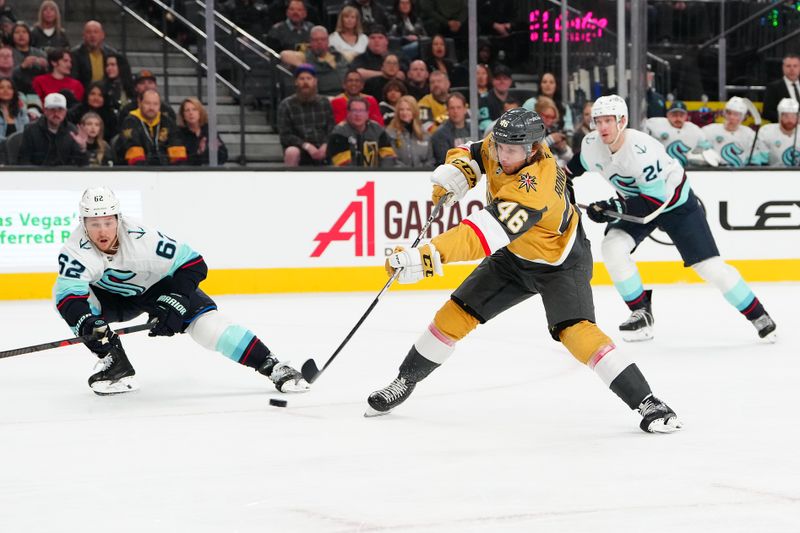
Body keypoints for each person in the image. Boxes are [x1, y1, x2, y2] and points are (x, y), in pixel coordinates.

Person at [367, 107, 682, 434]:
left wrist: (427, 257)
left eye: (512, 150)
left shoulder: (535, 187)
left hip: (560, 263)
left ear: (533, 149)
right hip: (514, 256)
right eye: (501, 146)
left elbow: (478, 236)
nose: (503, 155)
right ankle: (405, 380)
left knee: (576, 333)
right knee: (454, 314)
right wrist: (459, 171)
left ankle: (648, 401)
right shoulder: (505, 143)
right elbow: (474, 151)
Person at [53, 186, 310, 395]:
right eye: (94, 223)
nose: (102, 231)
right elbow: (70, 296)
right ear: (83, 223)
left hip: (158, 288)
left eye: (107, 222)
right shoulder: (75, 249)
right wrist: (89, 324)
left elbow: (195, 264)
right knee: (66, 299)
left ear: (118, 219)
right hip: (113, 300)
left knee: (208, 328)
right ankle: (115, 361)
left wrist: (174, 300)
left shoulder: (144, 240)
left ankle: (273, 366)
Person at [569, 95, 776, 342]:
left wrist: (609, 207)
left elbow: (652, 203)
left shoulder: (641, 150)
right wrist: (559, 184)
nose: (602, 127)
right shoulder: (592, 144)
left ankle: (759, 315)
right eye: (598, 121)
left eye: (608, 121)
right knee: (613, 247)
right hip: (637, 202)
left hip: (675, 205)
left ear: (622, 121)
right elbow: (573, 168)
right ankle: (641, 313)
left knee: (709, 267)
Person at [277, 63, 333, 166]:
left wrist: (326, 145)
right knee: (291, 152)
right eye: (301, 79)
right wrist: (306, 146)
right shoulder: (286, 105)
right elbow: (285, 135)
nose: (305, 82)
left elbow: (331, 129)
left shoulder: (325, 102)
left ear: (315, 81)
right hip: (300, 148)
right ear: (296, 82)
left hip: (323, 147)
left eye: (309, 78)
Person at [119, 88, 187, 166]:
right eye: (147, 103)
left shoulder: (167, 121)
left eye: (155, 104)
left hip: (166, 170)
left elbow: (177, 150)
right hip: (139, 171)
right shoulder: (130, 122)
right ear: (139, 103)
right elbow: (133, 151)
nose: (151, 107)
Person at [18, 92, 88, 166]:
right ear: (45, 111)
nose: (56, 113)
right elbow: (23, 161)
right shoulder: (30, 130)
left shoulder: (72, 131)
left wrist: (82, 148)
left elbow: (81, 166)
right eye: (52, 109)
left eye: (60, 109)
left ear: (65, 112)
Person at [327, 95, 397, 167]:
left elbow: (388, 157)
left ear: (367, 113)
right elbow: (344, 166)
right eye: (354, 110)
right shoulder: (340, 132)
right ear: (348, 113)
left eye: (361, 110)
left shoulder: (377, 129)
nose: (358, 114)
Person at [279, 25, 347, 96]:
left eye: (322, 39)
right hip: (320, 97)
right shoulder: (305, 57)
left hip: (343, 95)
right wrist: (304, 67)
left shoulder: (338, 55)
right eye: (316, 40)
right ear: (310, 42)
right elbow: (284, 55)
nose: (319, 42)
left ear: (328, 41)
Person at [645, 100, 713, 167]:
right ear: (668, 115)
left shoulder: (694, 129)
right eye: (674, 115)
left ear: (686, 116)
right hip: (661, 169)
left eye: (681, 115)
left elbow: (706, 149)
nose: (678, 118)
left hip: (688, 171)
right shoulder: (655, 124)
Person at [71, 21, 128, 91]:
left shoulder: (112, 54)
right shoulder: (75, 54)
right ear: (83, 36)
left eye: (96, 32)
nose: (92, 35)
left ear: (102, 35)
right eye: (89, 32)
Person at [701, 96, 756, 167]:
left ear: (743, 117)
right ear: (724, 114)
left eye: (736, 114)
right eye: (728, 113)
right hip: (716, 173)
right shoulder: (709, 130)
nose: (731, 117)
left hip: (741, 173)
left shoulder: (749, 134)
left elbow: (755, 160)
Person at [178, 96, 229, 166]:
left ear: (200, 112)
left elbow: (223, 156)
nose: (191, 113)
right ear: (183, 115)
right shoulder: (178, 134)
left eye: (194, 109)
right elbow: (180, 162)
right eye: (187, 110)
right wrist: (198, 153)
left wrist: (212, 148)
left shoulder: (208, 130)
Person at [385, 95, 433, 167]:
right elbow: (389, 160)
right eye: (401, 110)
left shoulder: (425, 135)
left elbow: (430, 160)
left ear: (414, 111)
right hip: (398, 175)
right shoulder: (389, 134)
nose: (404, 113)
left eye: (408, 109)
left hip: (422, 176)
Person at [754, 97, 799, 167]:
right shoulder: (766, 132)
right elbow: (760, 162)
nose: (790, 120)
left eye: (793, 116)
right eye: (786, 116)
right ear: (780, 116)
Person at [430, 91, 471, 164]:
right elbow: (444, 161)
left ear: (465, 109)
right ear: (447, 110)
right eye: (452, 108)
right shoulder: (439, 134)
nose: (455, 111)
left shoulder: (474, 129)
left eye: (459, 107)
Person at [762, 53, 800, 123]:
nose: (792, 69)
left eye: (795, 66)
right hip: (782, 129)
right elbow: (766, 113)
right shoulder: (773, 87)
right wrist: (788, 120)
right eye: (788, 66)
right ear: (783, 67)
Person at [478, 63, 512, 134]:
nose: (502, 82)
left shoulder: (515, 99)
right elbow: (485, 125)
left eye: (505, 78)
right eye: (498, 79)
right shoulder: (484, 99)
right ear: (493, 81)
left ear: (510, 81)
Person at [0, 75, 27, 141]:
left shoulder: (21, 112)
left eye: (9, 88)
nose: (5, 90)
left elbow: (26, 134)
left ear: (14, 92)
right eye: (1, 87)